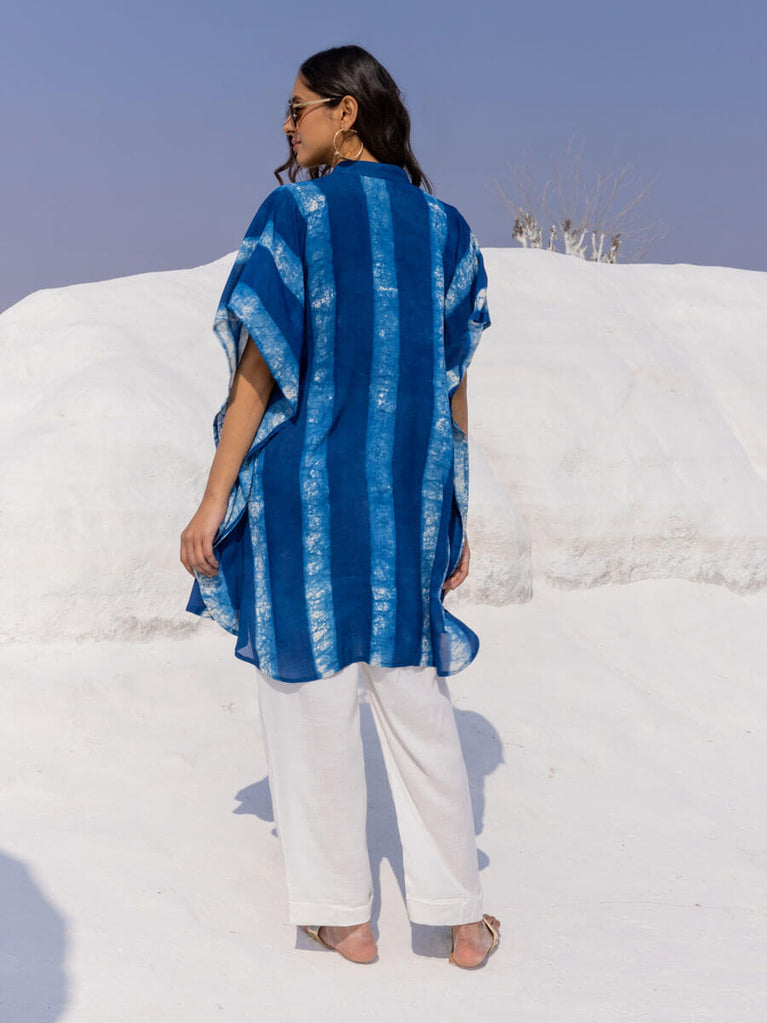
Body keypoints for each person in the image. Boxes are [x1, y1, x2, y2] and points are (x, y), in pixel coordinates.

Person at [180, 44, 500, 968]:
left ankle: (341, 918)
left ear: (345, 111)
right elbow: (453, 381)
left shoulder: (297, 214)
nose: (286, 126)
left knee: (307, 695)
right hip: (404, 502)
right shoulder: (446, 231)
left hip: (304, 501)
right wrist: (456, 504)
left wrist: (212, 498)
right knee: (416, 699)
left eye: (297, 109)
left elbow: (258, 370)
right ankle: (461, 918)